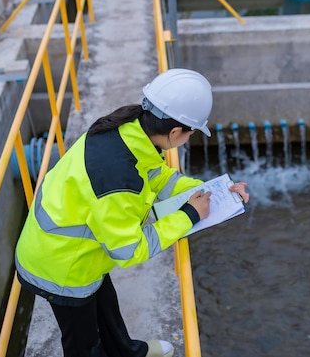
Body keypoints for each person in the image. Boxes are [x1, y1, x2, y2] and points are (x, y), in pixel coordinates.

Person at [14, 68, 250, 357]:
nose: (190, 137)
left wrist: (213, 191)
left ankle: (127, 352)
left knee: (107, 310)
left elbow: (159, 177)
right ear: (176, 132)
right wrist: (188, 215)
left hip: (80, 253)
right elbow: (130, 250)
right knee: (83, 344)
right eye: (192, 132)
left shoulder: (128, 130)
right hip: (60, 267)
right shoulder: (118, 181)